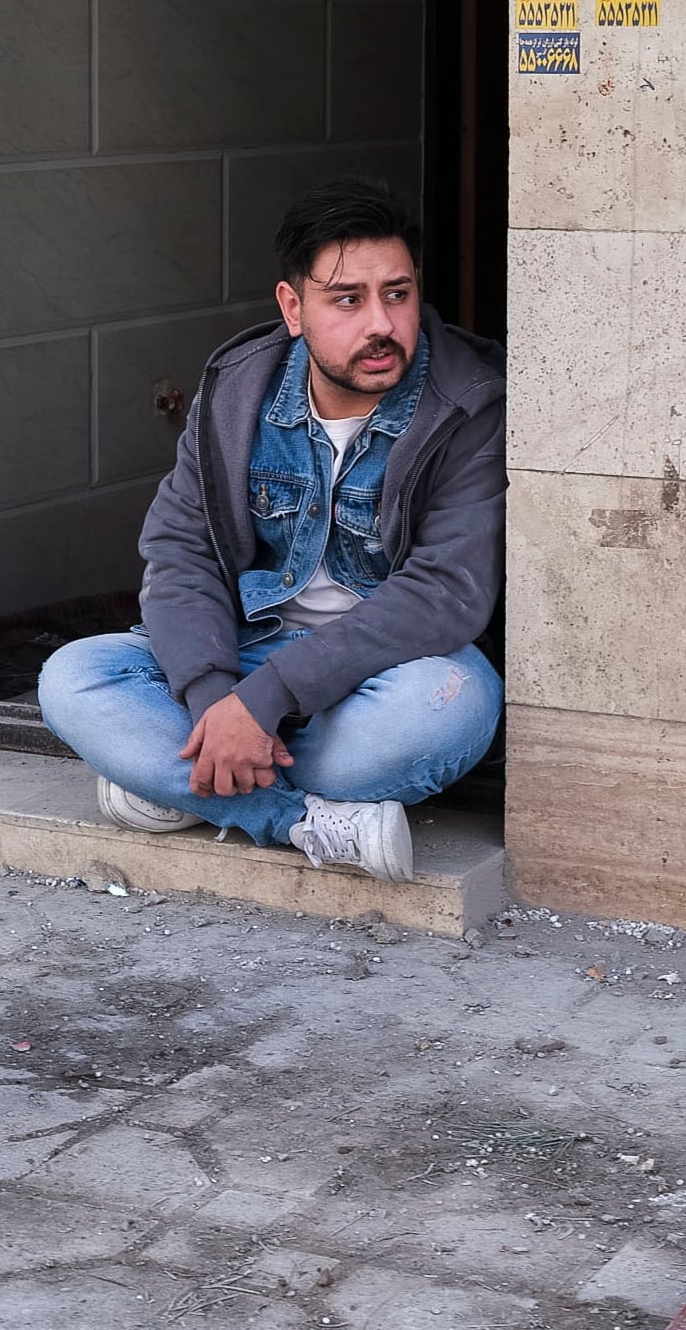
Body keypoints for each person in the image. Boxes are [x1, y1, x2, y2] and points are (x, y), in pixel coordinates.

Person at [37, 179, 505, 883]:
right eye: (347, 299)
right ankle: (299, 820)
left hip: (391, 675)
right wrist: (216, 700)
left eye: (398, 294)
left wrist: (260, 706)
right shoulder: (237, 387)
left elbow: (445, 594)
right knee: (73, 678)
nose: (381, 322)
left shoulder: (468, 403)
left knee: (453, 707)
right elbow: (181, 549)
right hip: (249, 651)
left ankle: (177, 777)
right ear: (293, 307)